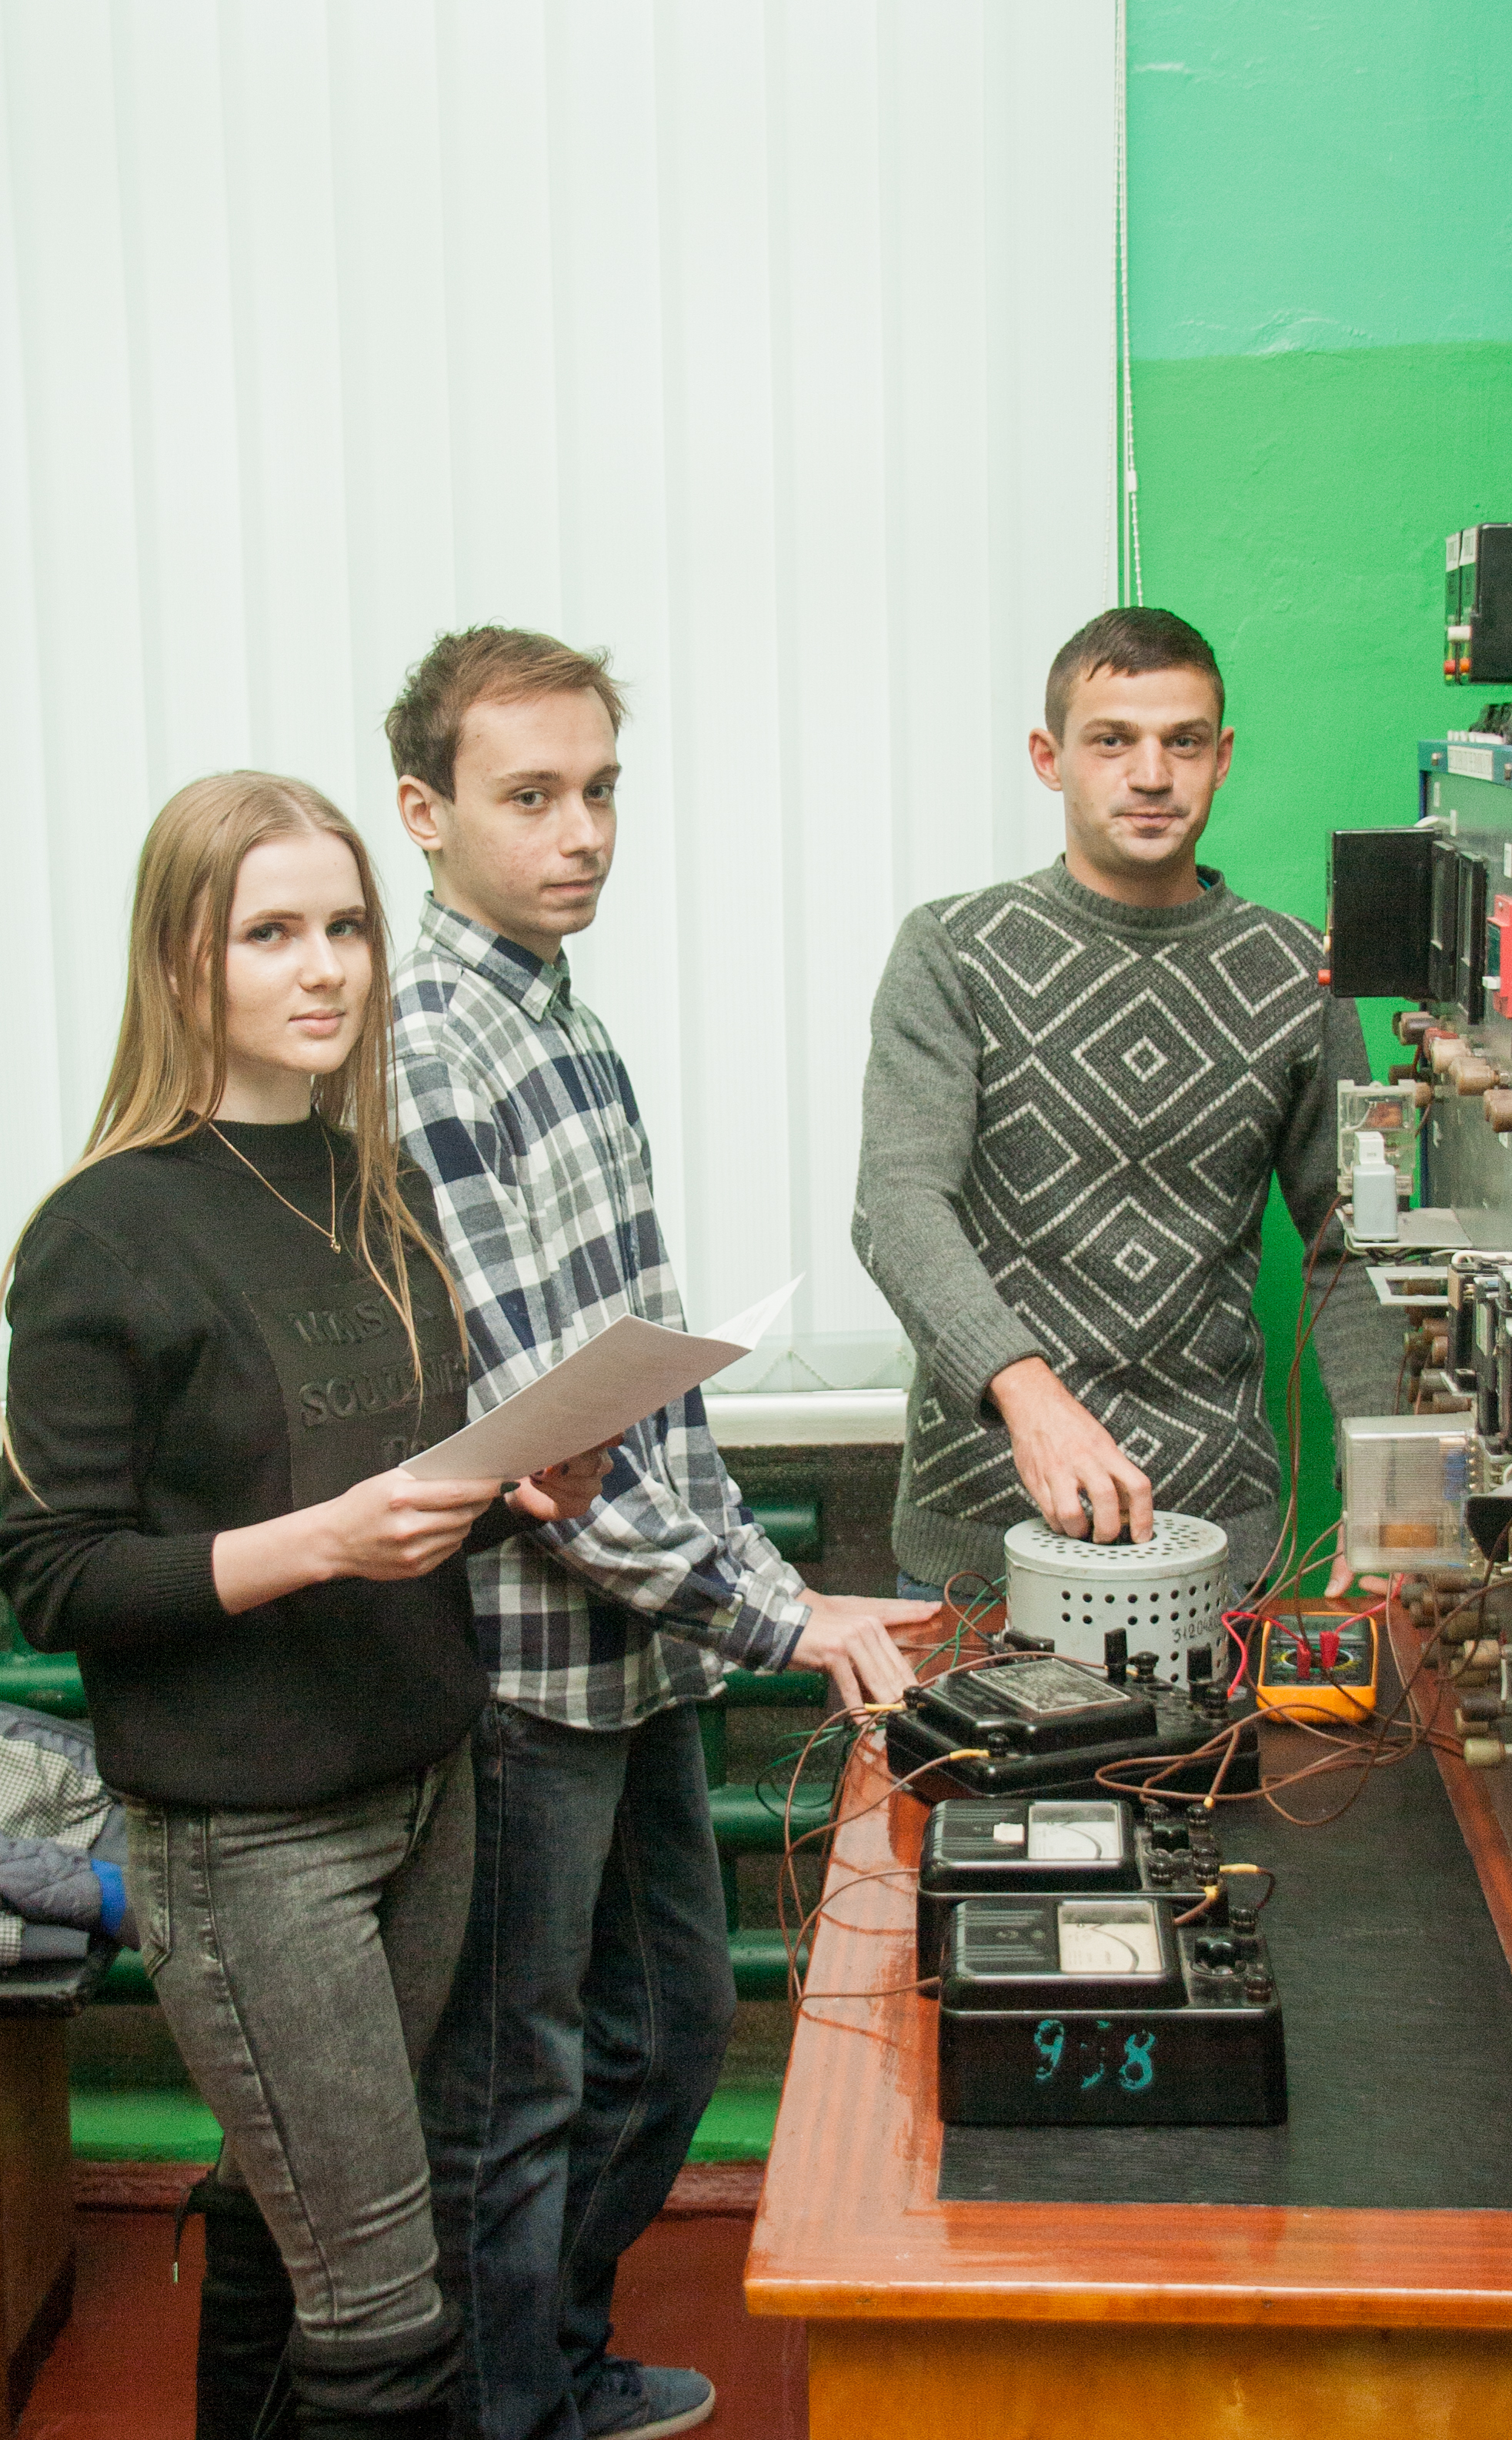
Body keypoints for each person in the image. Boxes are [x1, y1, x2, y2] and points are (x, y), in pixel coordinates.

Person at [0, 774, 610, 2440]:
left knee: (289, 2230)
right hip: (249, 1838)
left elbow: (395, 1476)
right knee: (387, 2306)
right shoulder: (100, 1229)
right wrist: (320, 1540)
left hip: (425, 1786)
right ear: (178, 960)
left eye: (346, 925)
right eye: (270, 932)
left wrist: (519, 1483)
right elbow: (53, 1575)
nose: (326, 966)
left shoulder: (369, 1185)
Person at [386, 627, 935, 2440]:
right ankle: (510, 2407)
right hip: (522, 1668)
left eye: (601, 790)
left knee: (672, 2032)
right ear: (424, 810)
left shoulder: (560, 1010)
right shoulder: (427, 1041)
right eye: (531, 795)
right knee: (520, 2086)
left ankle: (554, 2360)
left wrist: (765, 1589)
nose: (581, 833)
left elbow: (636, 1383)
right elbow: (533, 1415)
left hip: (638, 1648)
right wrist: (777, 1619)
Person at [853, 606, 1396, 1609]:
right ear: (1048, 758)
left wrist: (1384, 1495)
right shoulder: (953, 952)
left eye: (1182, 742)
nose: (1151, 774)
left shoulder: (1298, 971)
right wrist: (1028, 1395)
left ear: (1220, 757)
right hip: (981, 1542)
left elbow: (1352, 1247)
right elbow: (896, 1206)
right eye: (1112, 741)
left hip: (1218, 1548)